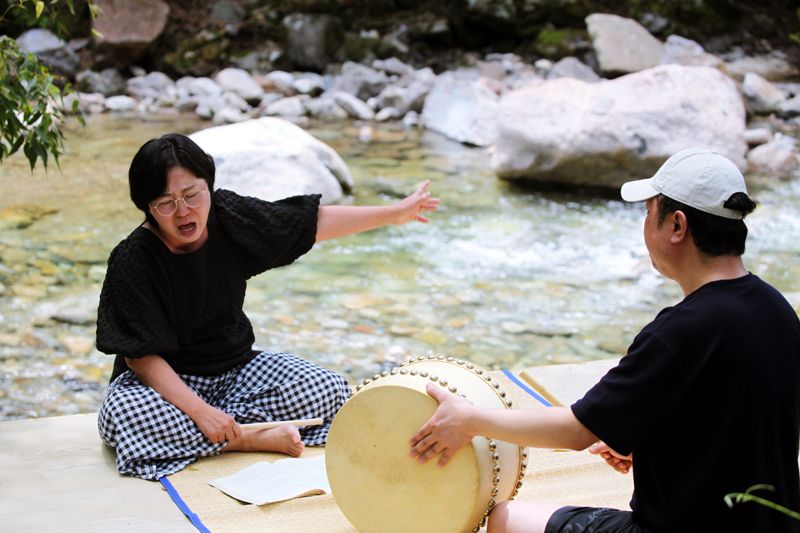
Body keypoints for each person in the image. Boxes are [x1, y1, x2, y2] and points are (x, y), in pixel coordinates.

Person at [409, 147, 800, 532]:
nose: (645, 225)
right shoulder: (777, 310)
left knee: (506, 519)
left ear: (677, 226)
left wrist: (470, 420)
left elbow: (577, 430)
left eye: (649, 212)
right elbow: (742, 422)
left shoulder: (681, 331)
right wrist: (646, 448)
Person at [96, 133, 440, 480]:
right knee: (122, 414)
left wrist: (396, 213)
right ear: (147, 205)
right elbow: (140, 358)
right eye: (165, 203)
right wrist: (201, 413)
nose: (183, 211)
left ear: (208, 186)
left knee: (331, 390)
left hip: (235, 373)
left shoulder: (227, 215)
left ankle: (210, 433)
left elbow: (308, 223)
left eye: (191, 194)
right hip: (165, 385)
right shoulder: (133, 258)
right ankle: (244, 438)